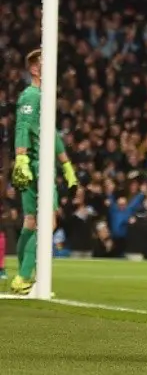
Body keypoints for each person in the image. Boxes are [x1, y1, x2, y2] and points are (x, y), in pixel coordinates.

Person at [10, 49, 79, 294]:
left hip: (36, 163)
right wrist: (21, 159)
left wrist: (66, 165)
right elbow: (23, 126)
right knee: (46, 221)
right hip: (35, 164)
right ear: (34, 69)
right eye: (42, 63)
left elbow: (51, 135)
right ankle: (25, 274)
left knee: (31, 221)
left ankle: (21, 276)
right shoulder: (31, 95)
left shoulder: (44, 97)